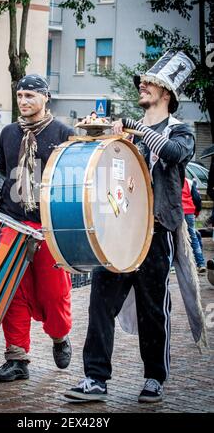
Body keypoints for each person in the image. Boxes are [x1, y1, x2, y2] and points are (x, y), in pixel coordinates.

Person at [65, 50, 207, 404]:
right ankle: (95, 379)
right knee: (100, 301)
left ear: (166, 93)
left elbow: (173, 154)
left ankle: (154, 379)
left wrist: (136, 128)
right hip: (119, 230)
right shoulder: (127, 132)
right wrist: (104, 135)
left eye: (150, 83)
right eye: (143, 82)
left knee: (152, 307)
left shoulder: (181, 131)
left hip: (158, 232)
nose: (142, 85)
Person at [0, 74, 74, 382]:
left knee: (53, 293)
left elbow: (73, 179)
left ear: (45, 97)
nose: (23, 101)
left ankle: (60, 336)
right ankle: (17, 358)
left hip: (48, 225)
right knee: (12, 292)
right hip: (12, 221)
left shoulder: (63, 133)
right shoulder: (8, 132)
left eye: (29, 96)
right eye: (20, 95)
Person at [182, 177, 206, 273]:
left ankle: (173, 265)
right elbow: (196, 198)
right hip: (189, 212)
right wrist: (196, 212)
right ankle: (200, 263)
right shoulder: (189, 182)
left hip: (178, 211)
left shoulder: (172, 179)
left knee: (175, 238)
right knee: (193, 237)